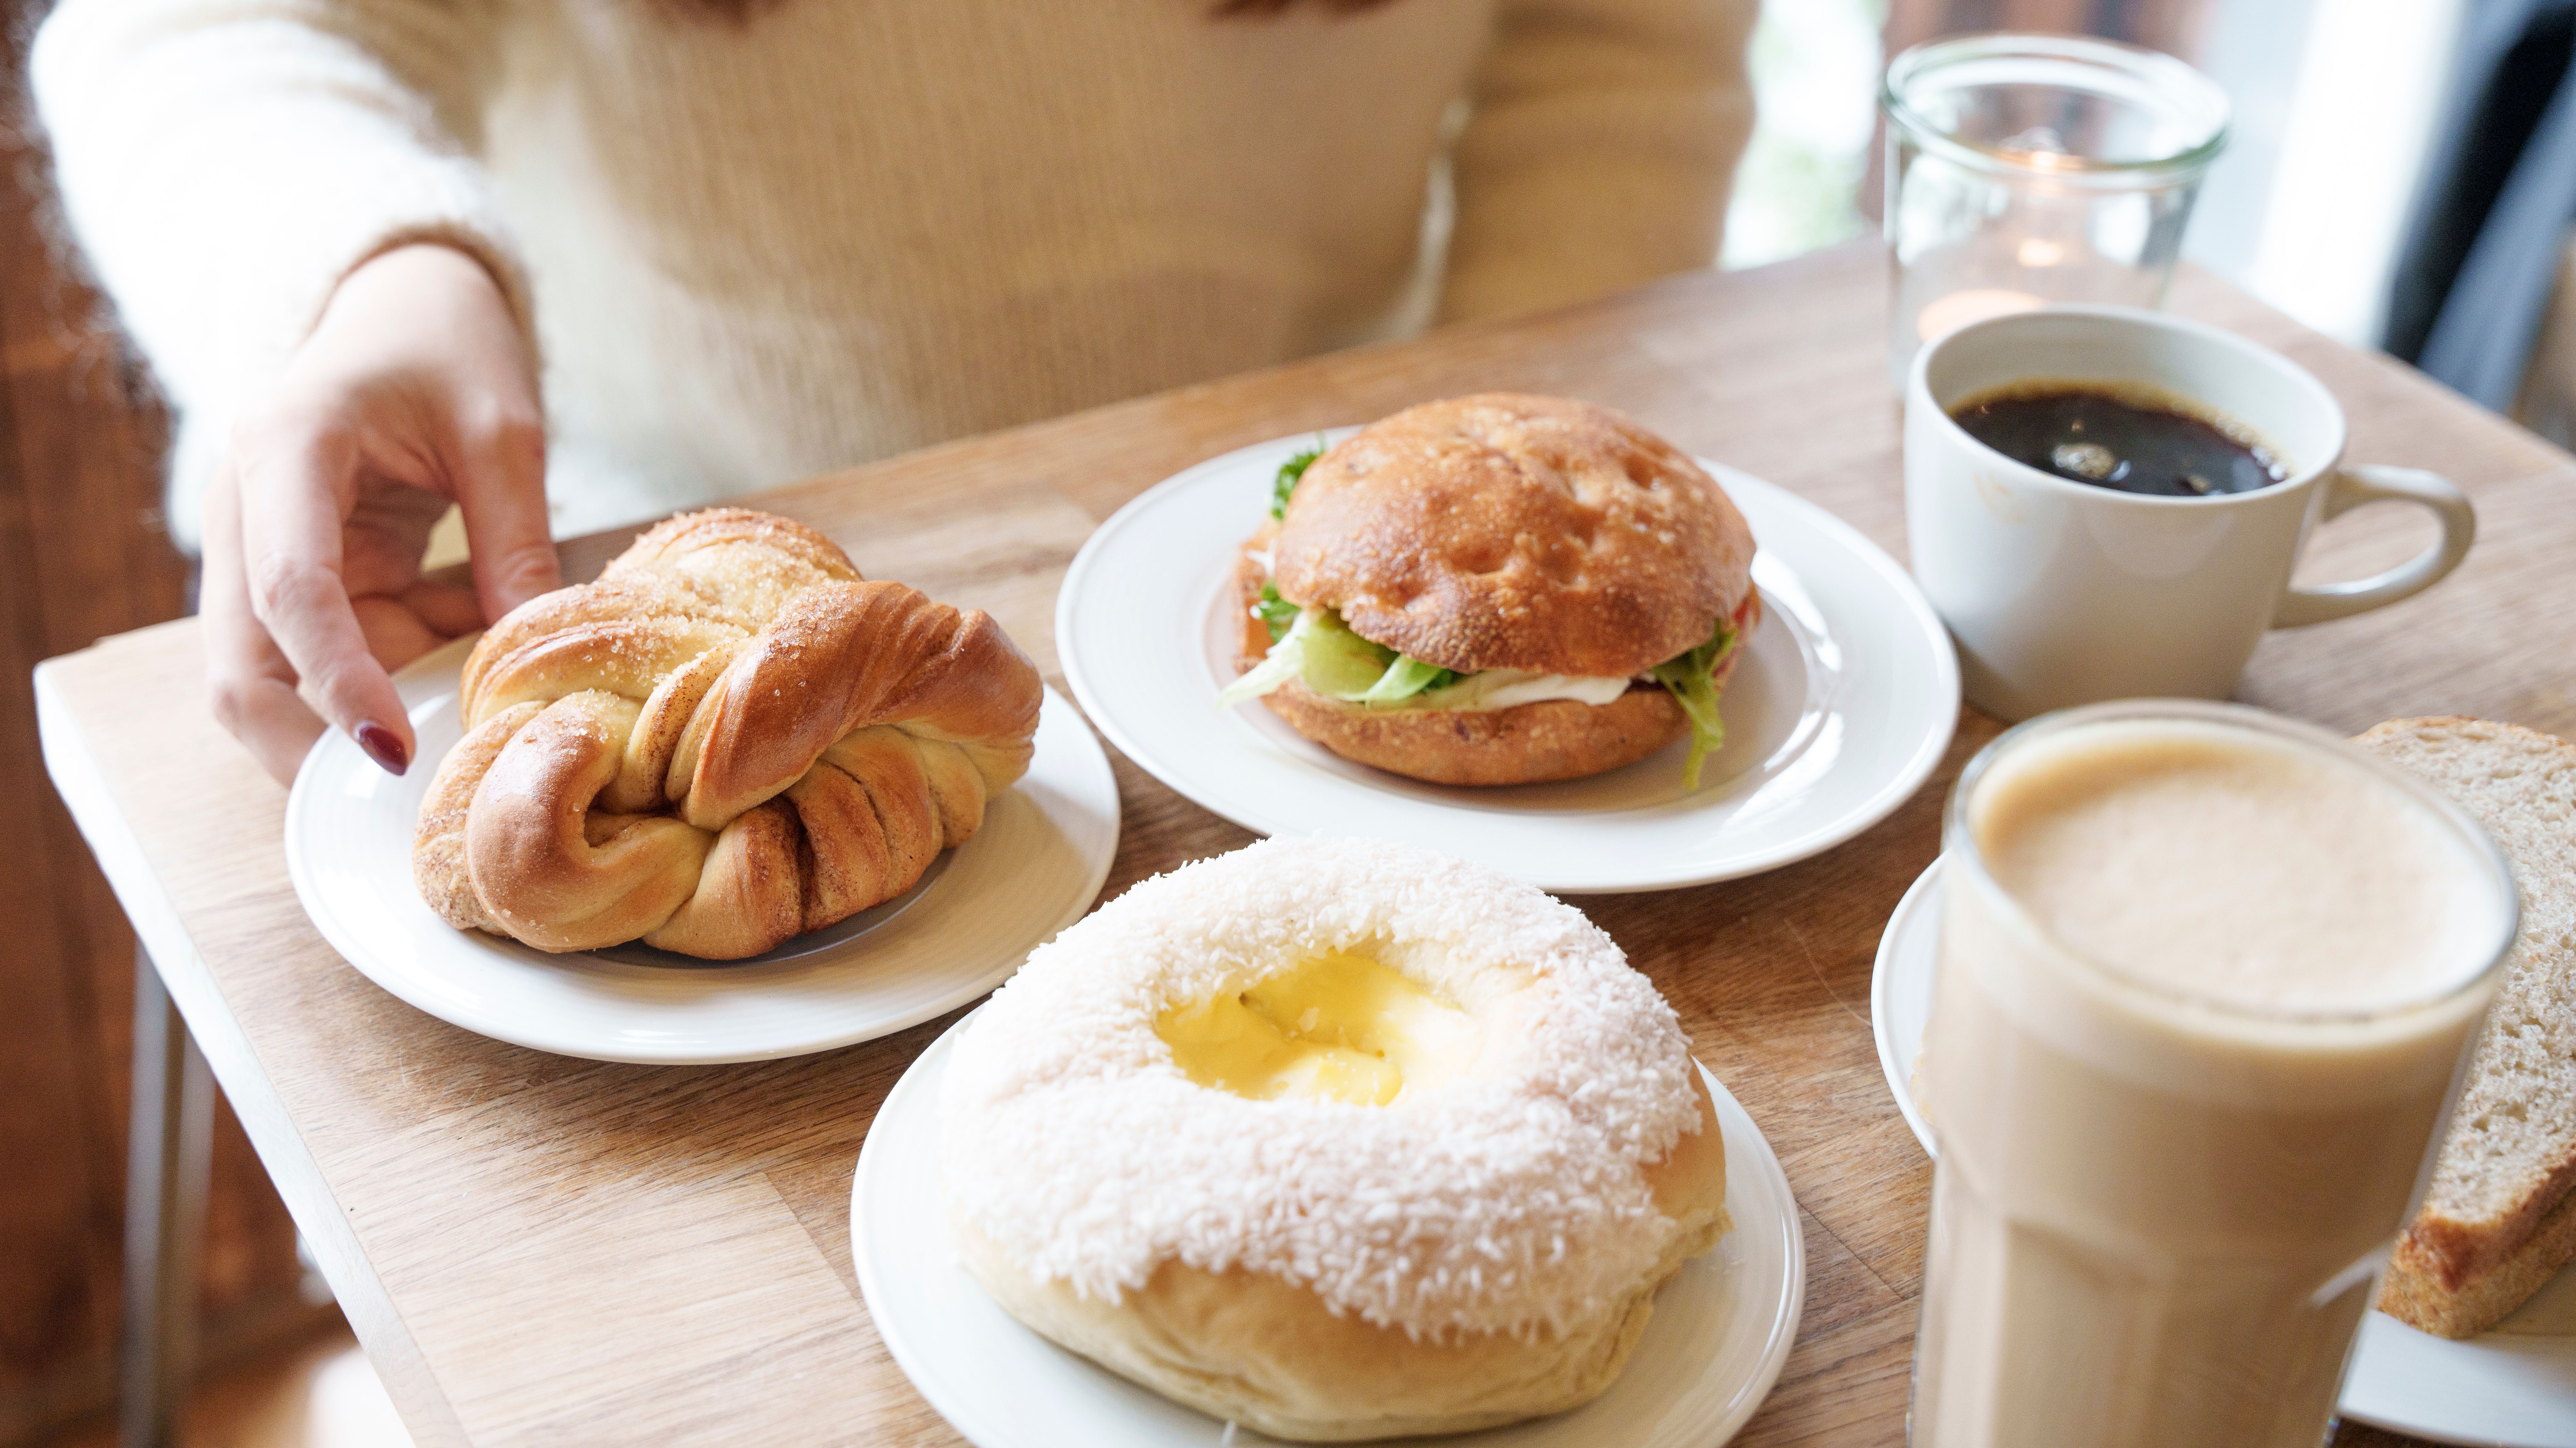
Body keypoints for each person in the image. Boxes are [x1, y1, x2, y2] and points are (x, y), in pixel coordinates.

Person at [32, 0, 1756, 785]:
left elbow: (1621, 46)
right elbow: (187, 31)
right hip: (609, 591)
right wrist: (382, 271)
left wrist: (1510, 469)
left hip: (1276, 565)